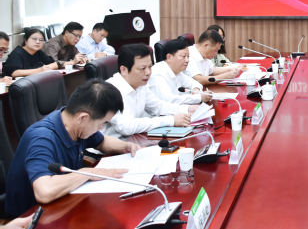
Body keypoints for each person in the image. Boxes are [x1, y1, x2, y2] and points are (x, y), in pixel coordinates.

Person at [4, 80, 141, 218]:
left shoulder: (75, 125)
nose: (102, 128)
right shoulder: (42, 139)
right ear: (82, 118)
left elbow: (102, 142)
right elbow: (44, 191)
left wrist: (125, 146)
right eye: (102, 123)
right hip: (30, 217)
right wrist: (87, 173)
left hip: (64, 203)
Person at [103, 44, 197, 139]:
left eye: (150, 67)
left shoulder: (139, 83)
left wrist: (188, 109)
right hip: (114, 144)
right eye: (142, 68)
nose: (148, 72)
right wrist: (171, 120)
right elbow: (127, 126)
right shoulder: (111, 90)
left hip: (136, 137)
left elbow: (157, 106)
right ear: (123, 70)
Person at [148, 39, 211, 104]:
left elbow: (194, 83)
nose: (187, 60)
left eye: (188, 57)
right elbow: (169, 100)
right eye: (183, 56)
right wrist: (198, 97)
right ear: (169, 57)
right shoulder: (158, 73)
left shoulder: (177, 71)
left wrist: (196, 89)